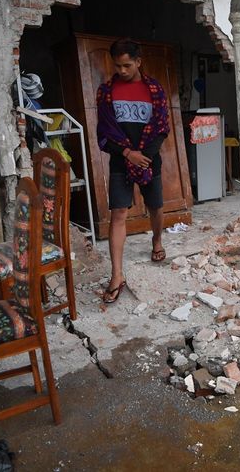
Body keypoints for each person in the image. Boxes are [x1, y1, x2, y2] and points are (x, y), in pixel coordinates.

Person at [96, 38, 170, 303]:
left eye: (127, 65)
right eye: (118, 66)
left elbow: (162, 128)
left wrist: (145, 157)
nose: (122, 71)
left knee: (156, 207)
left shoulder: (155, 90)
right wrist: (128, 154)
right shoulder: (106, 92)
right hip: (120, 161)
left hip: (150, 159)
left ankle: (157, 241)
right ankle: (117, 274)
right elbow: (104, 132)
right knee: (118, 214)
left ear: (138, 62)